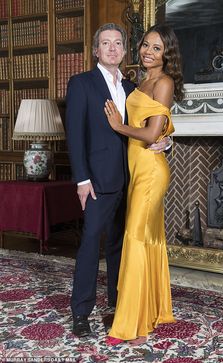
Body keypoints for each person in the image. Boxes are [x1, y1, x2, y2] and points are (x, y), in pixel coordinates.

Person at [65, 23, 171, 338]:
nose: (112, 48)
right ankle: (81, 312)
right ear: (96, 50)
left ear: (124, 51)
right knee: (89, 247)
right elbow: (75, 136)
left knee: (118, 247)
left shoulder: (132, 88)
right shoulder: (81, 83)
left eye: (118, 43)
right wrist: (82, 179)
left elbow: (150, 124)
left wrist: (165, 141)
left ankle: (118, 303)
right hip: (97, 181)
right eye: (105, 43)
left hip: (133, 180)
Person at [104, 24, 184, 345]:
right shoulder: (141, 81)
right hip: (136, 168)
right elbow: (157, 130)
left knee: (136, 238)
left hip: (151, 171)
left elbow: (152, 133)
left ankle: (135, 325)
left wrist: (118, 126)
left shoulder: (163, 83)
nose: (148, 52)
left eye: (156, 48)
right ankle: (147, 310)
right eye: (146, 45)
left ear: (167, 55)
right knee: (145, 238)